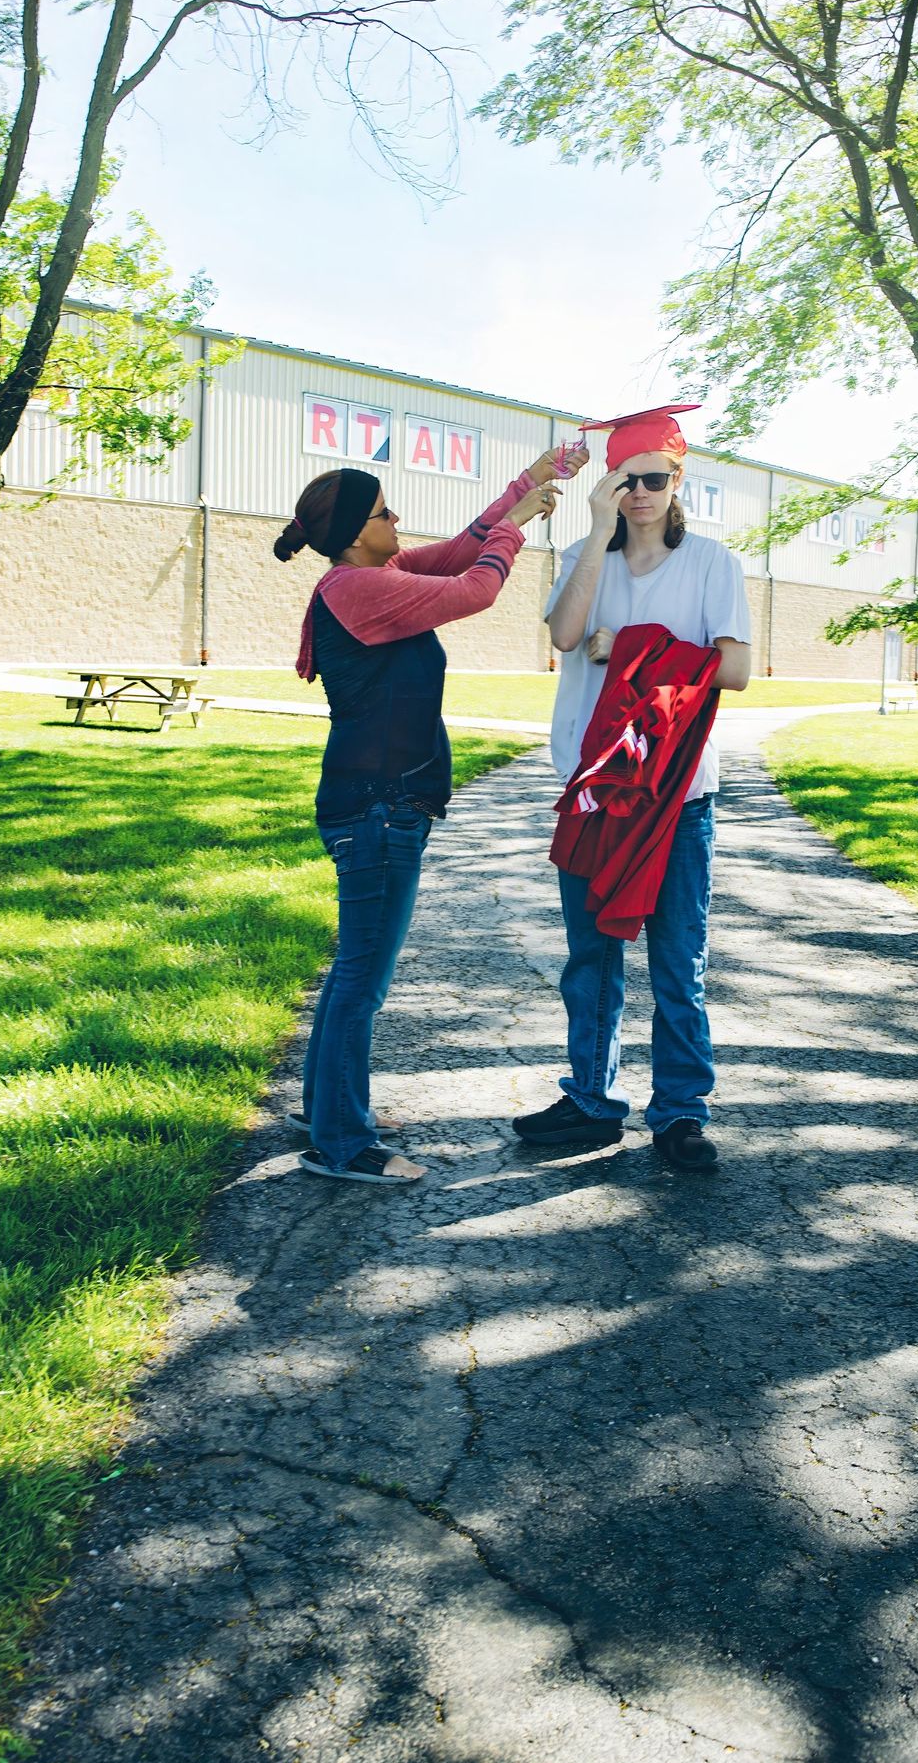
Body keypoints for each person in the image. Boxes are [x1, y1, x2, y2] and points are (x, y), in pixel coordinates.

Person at [275, 448, 583, 1183]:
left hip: (377, 802)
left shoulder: (369, 576)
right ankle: (342, 1144)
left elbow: (453, 553)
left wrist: (524, 489)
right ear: (356, 532)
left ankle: (328, 1112)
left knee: (355, 973)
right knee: (362, 978)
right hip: (379, 807)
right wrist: (516, 532)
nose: (398, 519)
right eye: (385, 511)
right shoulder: (358, 588)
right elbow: (475, 587)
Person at [513, 405, 751, 1172]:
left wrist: (636, 652)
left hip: (678, 795)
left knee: (678, 961)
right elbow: (562, 635)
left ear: (678, 480)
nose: (639, 493)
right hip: (594, 786)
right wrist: (594, 528)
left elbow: (737, 670)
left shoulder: (713, 563)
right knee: (592, 959)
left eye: (652, 479)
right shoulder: (589, 553)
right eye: (624, 481)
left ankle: (681, 1111)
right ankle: (591, 1098)